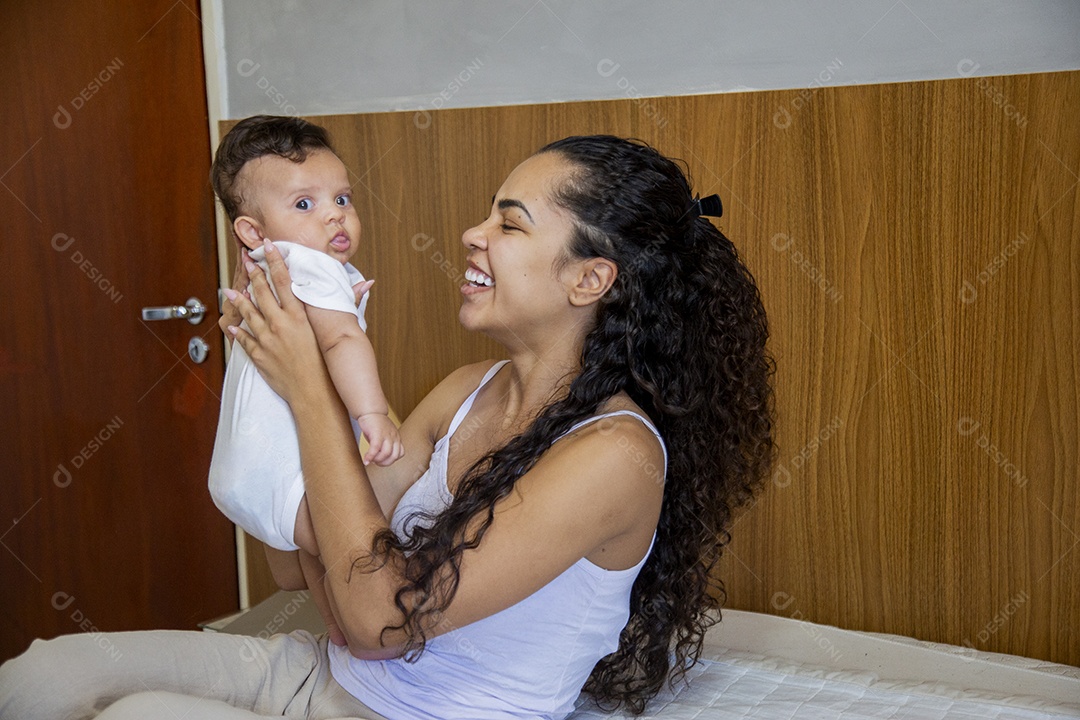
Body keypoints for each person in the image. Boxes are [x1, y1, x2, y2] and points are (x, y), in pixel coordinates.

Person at [0, 135, 775, 719]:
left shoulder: (614, 455)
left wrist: (309, 389)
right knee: (41, 677)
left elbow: (378, 619)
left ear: (589, 278)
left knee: (140, 718)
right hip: (327, 676)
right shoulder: (467, 391)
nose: (472, 235)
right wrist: (267, 401)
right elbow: (304, 563)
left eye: (508, 225)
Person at [206, 115, 403, 575]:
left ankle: (340, 630)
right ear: (253, 233)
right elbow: (341, 340)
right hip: (280, 470)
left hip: (250, 470)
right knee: (343, 549)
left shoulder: (273, 270)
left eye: (341, 198)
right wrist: (372, 415)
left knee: (317, 551)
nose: (334, 214)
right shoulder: (311, 266)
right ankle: (347, 630)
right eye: (303, 204)